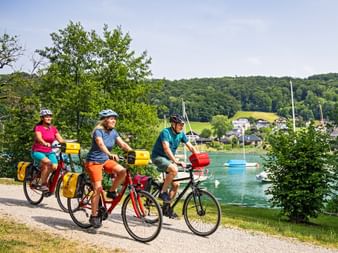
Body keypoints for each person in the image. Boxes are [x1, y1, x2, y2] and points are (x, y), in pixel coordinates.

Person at [85, 109, 133, 228]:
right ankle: (94, 215)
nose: (114, 121)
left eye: (114, 118)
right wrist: (109, 153)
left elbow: (122, 144)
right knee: (98, 188)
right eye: (111, 118)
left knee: (123, 172)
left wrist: (133, 152)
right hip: (94, 162)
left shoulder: (114, 132)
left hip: (105, 160)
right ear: (104, 120)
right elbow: (100, 144)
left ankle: (111, 191)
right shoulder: (98, 131)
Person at [151, 114, 198, 204]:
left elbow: (191, 147)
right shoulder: (165, 132)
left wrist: (199, 158)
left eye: (183, 125)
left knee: (176, 185)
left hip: (169, 160)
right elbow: (166, 148)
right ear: (173, 124)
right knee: (173, 169)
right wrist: (176, 161)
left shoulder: (181, 134)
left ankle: (167, 208)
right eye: (180, 124)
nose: (182, 127)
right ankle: (163, 192)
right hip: (158, 157)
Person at [31, 109, 64, 192]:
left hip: (49, 152)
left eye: (50, 116)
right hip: (38, 151)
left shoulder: (53, 129)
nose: (49, 118)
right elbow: (39, 137)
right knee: (48, 163)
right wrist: (44, 142)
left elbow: (60, 139)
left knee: (54, 166)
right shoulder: (38, 127)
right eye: (46, 117)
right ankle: (43, 184)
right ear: (42, 118)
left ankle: (44, 177)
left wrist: (66, 144)